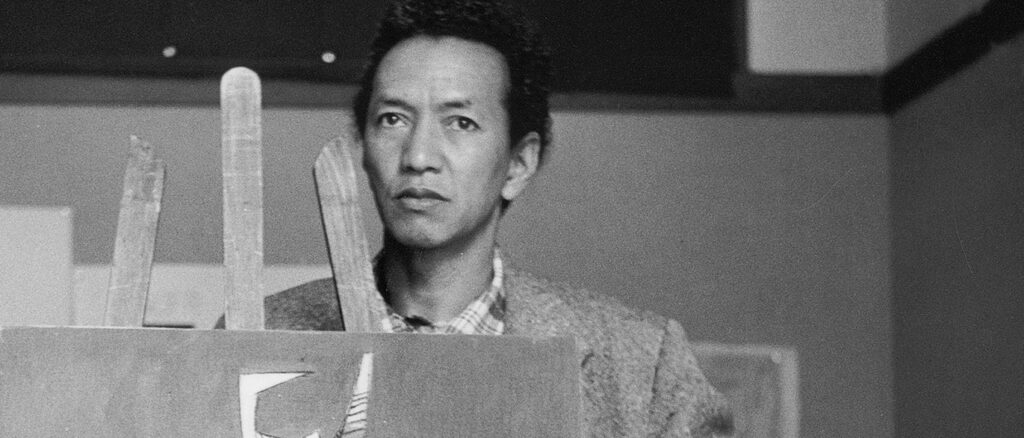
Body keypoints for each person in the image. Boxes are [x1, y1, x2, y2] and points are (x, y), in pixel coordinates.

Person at [265, 0, 733, 436]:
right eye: (392, 119)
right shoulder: (262, 332)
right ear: (363, 151)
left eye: (461, 122)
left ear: (518, 164)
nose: (419, 156)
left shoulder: (646, 366)